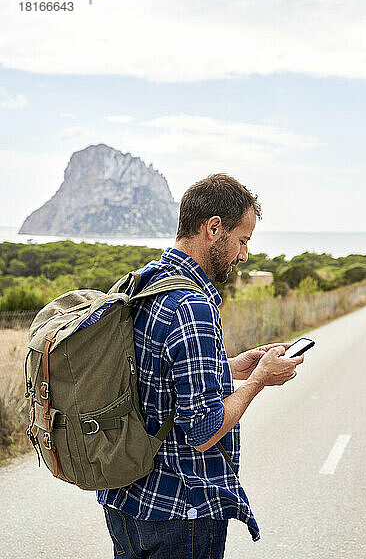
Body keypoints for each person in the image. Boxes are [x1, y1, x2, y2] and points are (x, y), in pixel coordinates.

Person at [97, 174, 304, 558]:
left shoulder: (147, 282)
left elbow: (155, 375)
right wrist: (258, 381)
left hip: (126, 503)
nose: (244, 255)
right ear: (213, 229)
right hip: (181, 514)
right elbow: (203, 430)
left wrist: (235, 366)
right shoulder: (193, 307)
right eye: (242, 240)